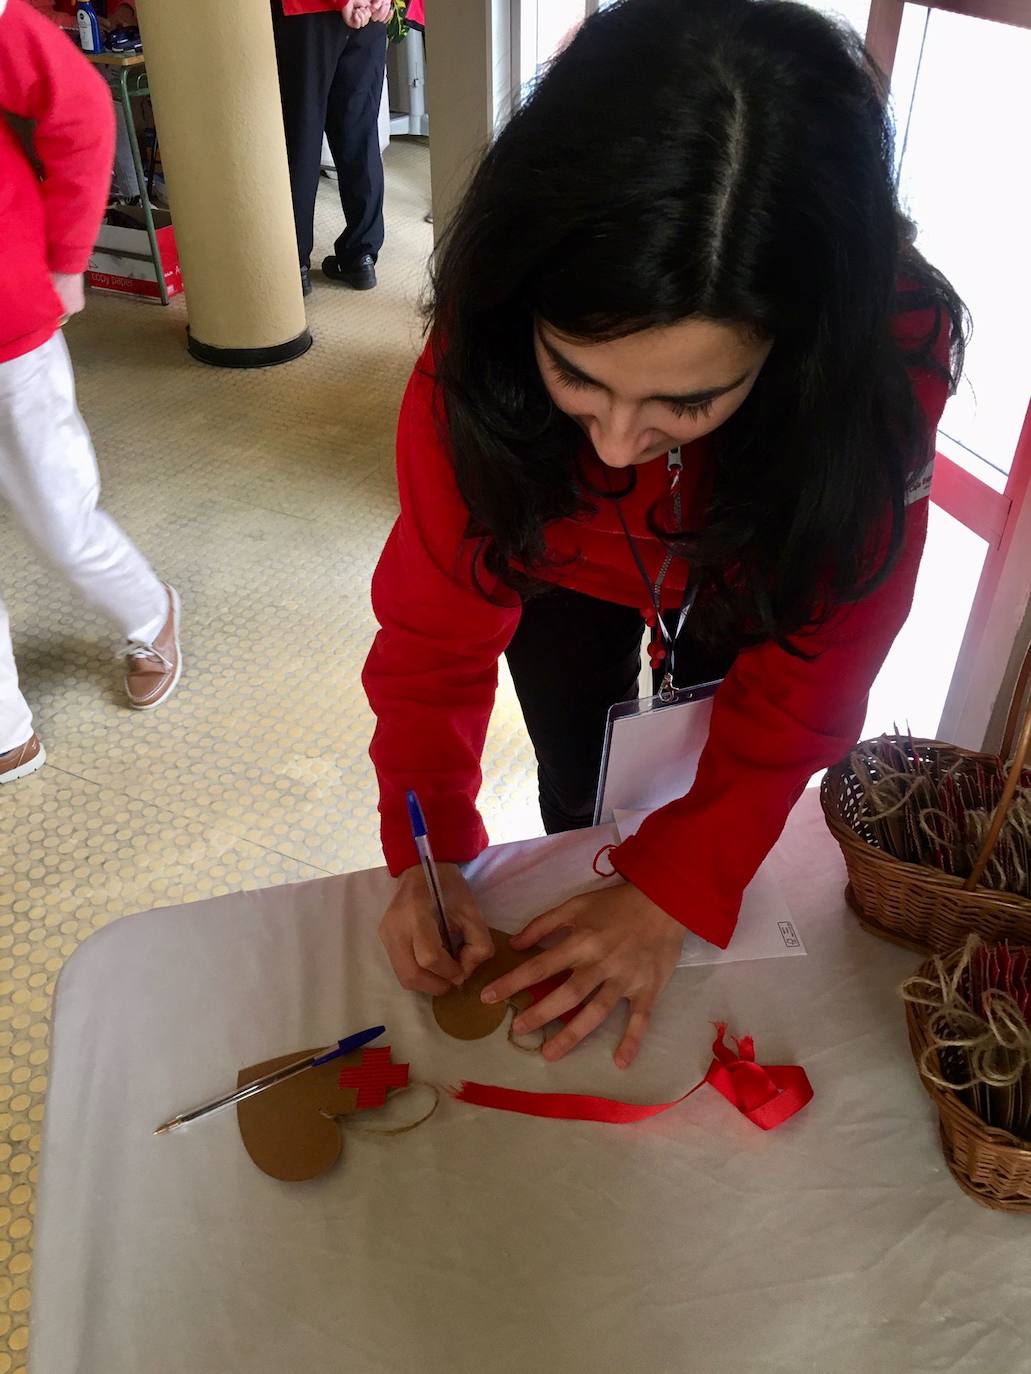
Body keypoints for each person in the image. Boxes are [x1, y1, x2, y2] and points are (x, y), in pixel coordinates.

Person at [363, 0, 967, 1066]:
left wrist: (677, 885)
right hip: (558, 574)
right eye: (576, 379)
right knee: (578, 774)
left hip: (752, 559)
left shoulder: (878, 365)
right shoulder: (482, 340)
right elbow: (432, 631)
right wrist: (429, 849)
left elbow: (818, 665)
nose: (611, 452)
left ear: (793, 353)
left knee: (720, 792)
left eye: (685, 404)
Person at [0, 0, 181, 785]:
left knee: (58, 517)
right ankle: (5, 723)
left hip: (7, 322)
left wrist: (68, 254)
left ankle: (151, 611)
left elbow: (78, 105)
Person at [271, 0, 392, 297]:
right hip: (367, 15)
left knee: (302, 136)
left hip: (308, 14)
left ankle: (295, 263)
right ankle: (360, 255)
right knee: (360, 134)